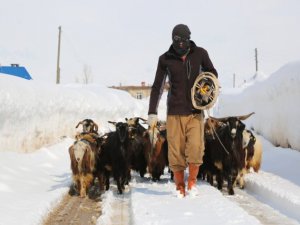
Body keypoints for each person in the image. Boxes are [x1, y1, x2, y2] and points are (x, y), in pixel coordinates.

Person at [147, 24, 218, 197]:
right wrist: (152, 112)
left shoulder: (200, 53)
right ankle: (179, 185)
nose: (180, 44)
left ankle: (192, 182)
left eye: (183, 40)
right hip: (175, 113)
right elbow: (157, 86)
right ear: (172, 39)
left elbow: (212, 73)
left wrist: (207, 89)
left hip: (195, 112)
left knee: (195, 147)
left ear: (189, 38)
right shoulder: (165, 59)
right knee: (175, 151)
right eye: (176, 40)